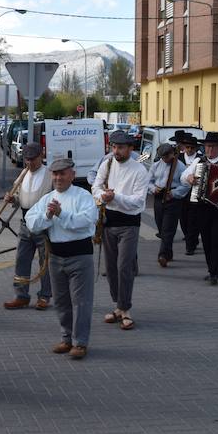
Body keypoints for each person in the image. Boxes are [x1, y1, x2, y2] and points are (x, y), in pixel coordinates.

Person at [25, 158, 98, 359]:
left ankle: (80, 342)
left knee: (81, 301)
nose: (58, 178)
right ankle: (66, 338)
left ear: (72, 175)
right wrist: (48, 217)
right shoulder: (47, 198)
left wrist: (60, 214)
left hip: (80, 255)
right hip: (56, 257)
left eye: (62, 173)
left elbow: (86, 222)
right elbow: (31, 222)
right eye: (55, 174)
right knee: (61, 301)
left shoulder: (83, 196)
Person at [92, 131, 150, 329]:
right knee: (110, 268)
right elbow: (95, 187)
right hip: (109, 222)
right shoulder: (107, 164)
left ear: (131, 149)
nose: (116, 151)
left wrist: (114, 197)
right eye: (114, 147)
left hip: (129, 224)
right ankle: (118, 306)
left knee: (124, 267)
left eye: (121, 147)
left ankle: (125, 309)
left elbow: (139, 202)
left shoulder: (140, 170)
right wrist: (103, 196)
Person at [3, 142, 53, 310]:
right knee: (21, 260)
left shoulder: (50, 175)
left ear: (41, 156)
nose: (30, 163)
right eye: (27, 159)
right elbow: (19, 198)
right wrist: (12, 200)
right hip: (25, 224)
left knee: (44, 262)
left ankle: (45, 296)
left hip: (43, 225)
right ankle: (21, 295)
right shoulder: (23, 174)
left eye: (33, 159)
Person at [181, 132, 218, 285]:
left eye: (213, 146)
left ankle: (215, 272)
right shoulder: (198, 161)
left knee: (217, 239)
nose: (209, 150)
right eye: (207, 146)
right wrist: (189, 178)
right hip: (201, 205)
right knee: (207, 240)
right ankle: (211, 269)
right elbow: (183, 177)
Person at [148, 143, 188, 267]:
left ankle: (163, 255)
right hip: (159, 197)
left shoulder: (180, 166)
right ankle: (168, 252)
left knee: (168, 229)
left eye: (167, 155)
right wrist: (154, 189)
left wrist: (174, 193)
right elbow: (148, 181)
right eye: (163, 156)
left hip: (173, 198)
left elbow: (186, 185)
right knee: (160, 226)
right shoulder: (155, 166)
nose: (165, 159)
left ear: (172, 153)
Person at [170, 131, 202, 254]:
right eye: (187, 147)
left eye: (192, 147)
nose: (189, 150)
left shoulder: (200, 159)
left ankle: (191, 244)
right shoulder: (179, 158)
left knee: (193, 218)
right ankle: (188, 235)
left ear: (196, 148)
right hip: (181, 190)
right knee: (183, 218)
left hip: (194, 191)